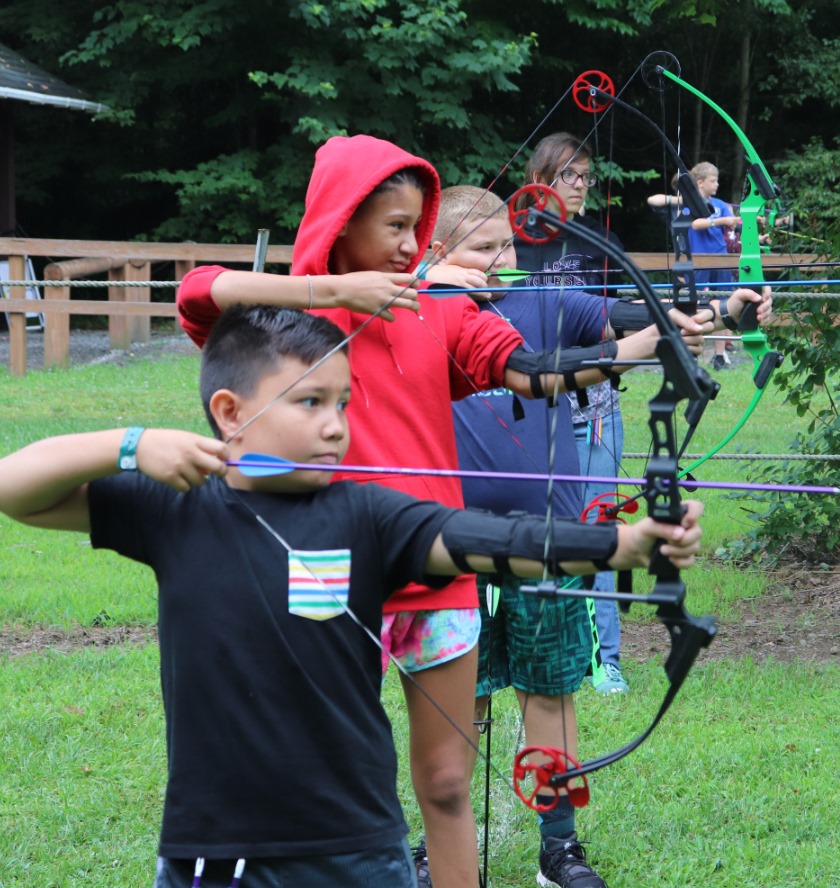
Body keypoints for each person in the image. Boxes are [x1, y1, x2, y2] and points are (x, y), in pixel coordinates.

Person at [0, 304, 705, 888]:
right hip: (214, 843)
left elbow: (481, 538)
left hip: (357, 844)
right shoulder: (174, 511)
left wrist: (621, 545)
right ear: (228, 410)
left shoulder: (369, 515)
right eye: (310, 402)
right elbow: (16, 487)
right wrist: (130, 444)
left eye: (343, 401)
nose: (336, 424)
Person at [175, 135, 698, 888]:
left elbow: (532, 371)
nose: (407, 243)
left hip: (430, 564)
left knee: (448, 780)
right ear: (340, 220)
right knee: (318, 774)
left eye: (415, 226)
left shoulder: (439, 305)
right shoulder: (282, 320)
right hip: (319, 568)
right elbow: (196, 291)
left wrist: (655, 343)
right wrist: (333, 293)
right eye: (391, 226)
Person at [424, 184, 767, 888]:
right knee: (458, 699)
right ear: (435, 251)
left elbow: (636, 317)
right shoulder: (412, 311)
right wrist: (428, 286)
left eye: (506, 249)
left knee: (550, 691)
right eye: (481, 250)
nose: (499, 264)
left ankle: (560, 848)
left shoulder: (543, 303)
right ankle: (439, 850)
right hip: (444, 538)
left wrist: (721, 310)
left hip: (544, 536)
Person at [514, 132, 631, 696]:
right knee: (539, 528)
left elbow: (633, 316)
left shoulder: (600, 239)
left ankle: (606, 659)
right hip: (532, 404)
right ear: (542, 181)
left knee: (597, 524)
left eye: (587, 176)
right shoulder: (512, 243)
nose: (581, 185)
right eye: (570, 176)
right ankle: (547, 644)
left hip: (595, 407)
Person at [646, 161, 741, 372]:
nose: (717, 184)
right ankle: (686, 352)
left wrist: (738, 220)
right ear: (700, 182)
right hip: (698, 260)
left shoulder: (720, 204)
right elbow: (696, 223)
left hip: (721, 259)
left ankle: (719, 355)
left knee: (723, 303)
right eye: (713, 180)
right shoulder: (687, 203)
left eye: (717, 180)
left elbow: (734, 223)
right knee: (692, 304)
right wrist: (723, 220)